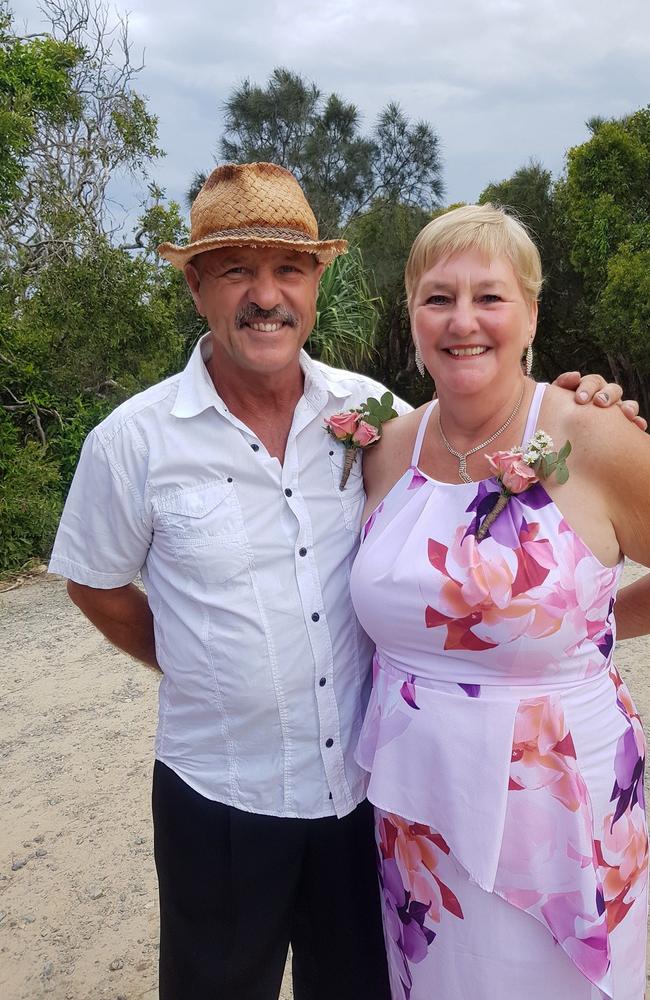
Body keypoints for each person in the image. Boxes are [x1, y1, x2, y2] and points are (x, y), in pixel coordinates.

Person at [48, 164, 645, 1000]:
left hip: (371, 797)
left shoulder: (370, 418)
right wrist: (196, 665)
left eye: (288, 269)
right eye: (235, 270)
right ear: (194, 286)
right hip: (222, 793)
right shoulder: (133, 442)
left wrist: (582, 409)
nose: (266, 295)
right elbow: (96, 586)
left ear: (317, 282)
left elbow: (482, 425)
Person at [351, 203, 650, 1000]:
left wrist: (598, 622)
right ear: (412, 318)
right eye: (437, 297)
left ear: (530, 314)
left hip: (559, 805)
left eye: (489, 297)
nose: (462, 320)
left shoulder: (592, 435)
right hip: (416, 812)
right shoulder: (388, 451)